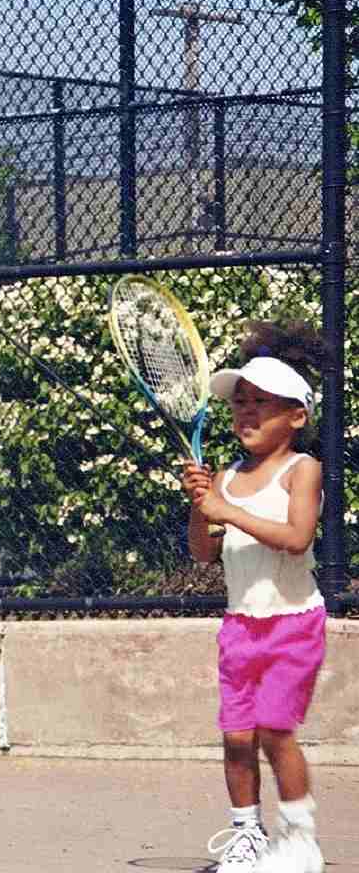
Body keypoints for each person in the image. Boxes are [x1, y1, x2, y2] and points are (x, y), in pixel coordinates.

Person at [181, 320, 327, 873]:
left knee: (273, 728)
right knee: (238, 737)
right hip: (240, 626)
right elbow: (203, 552)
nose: (245, 412)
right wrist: (202, 506)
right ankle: (247, 837)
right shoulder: (224, 477)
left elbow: (296, 539)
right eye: (239, 402)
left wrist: (229, 511)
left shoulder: (301, 469)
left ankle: (300, 839)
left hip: (293, 624)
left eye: (260, 403)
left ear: (295, 415)